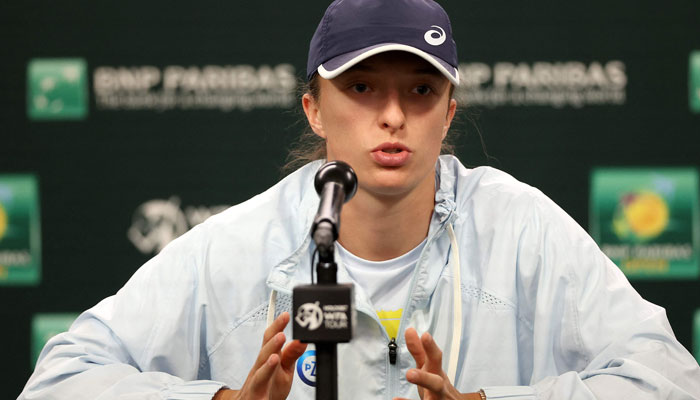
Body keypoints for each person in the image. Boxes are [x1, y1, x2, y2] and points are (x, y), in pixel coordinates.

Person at [19, 1, 700, 399]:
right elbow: (59, 381)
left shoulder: (521, 229)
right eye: (364, 88)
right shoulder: (241, 244)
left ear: (449, 112)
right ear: (315, 109)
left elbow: (671, 379)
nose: (394, 116)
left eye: (421, 91)